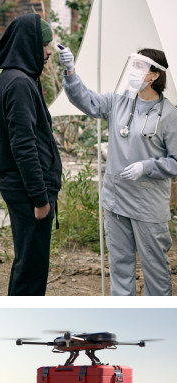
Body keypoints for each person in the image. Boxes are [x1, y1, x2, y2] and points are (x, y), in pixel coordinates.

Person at [59, 47, 177, 296]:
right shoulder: (118, 102)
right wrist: (70, 71)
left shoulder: (169, 115)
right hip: (116, 200)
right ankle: (124, 317)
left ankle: (154, 322)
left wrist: (148, 166)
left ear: (154, 76)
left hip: (147, 206)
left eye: (139, 67)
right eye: (132, 65)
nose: (132, 71)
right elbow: (86, 99)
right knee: (120, 269)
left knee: (155, 271)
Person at [0, 14, 63, 296]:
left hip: (22, 189)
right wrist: (40, 198)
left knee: (28, 265)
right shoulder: (20, 84)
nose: (48, 51)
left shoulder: (14, 78)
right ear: (30, 43)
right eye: (45, 44)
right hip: (28, 193)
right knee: (31, 271)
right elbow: (24, 146)